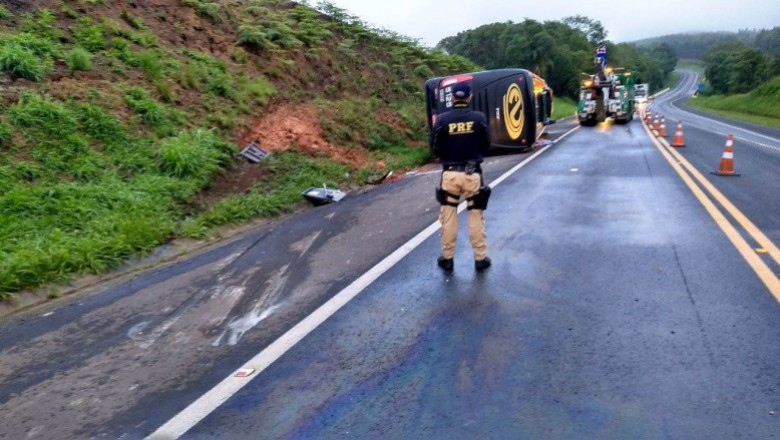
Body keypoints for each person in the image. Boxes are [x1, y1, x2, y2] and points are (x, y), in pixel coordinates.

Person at [431, 81, 492, 272]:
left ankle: (447, 258)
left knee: (448, 217)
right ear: (469, 97)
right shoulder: (479, 118)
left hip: (450, 174)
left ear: (453, 98)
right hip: (473, 174)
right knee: (475, 216)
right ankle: (480, 259)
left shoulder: (441, 120)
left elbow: (435, 148)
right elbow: (486, 145)